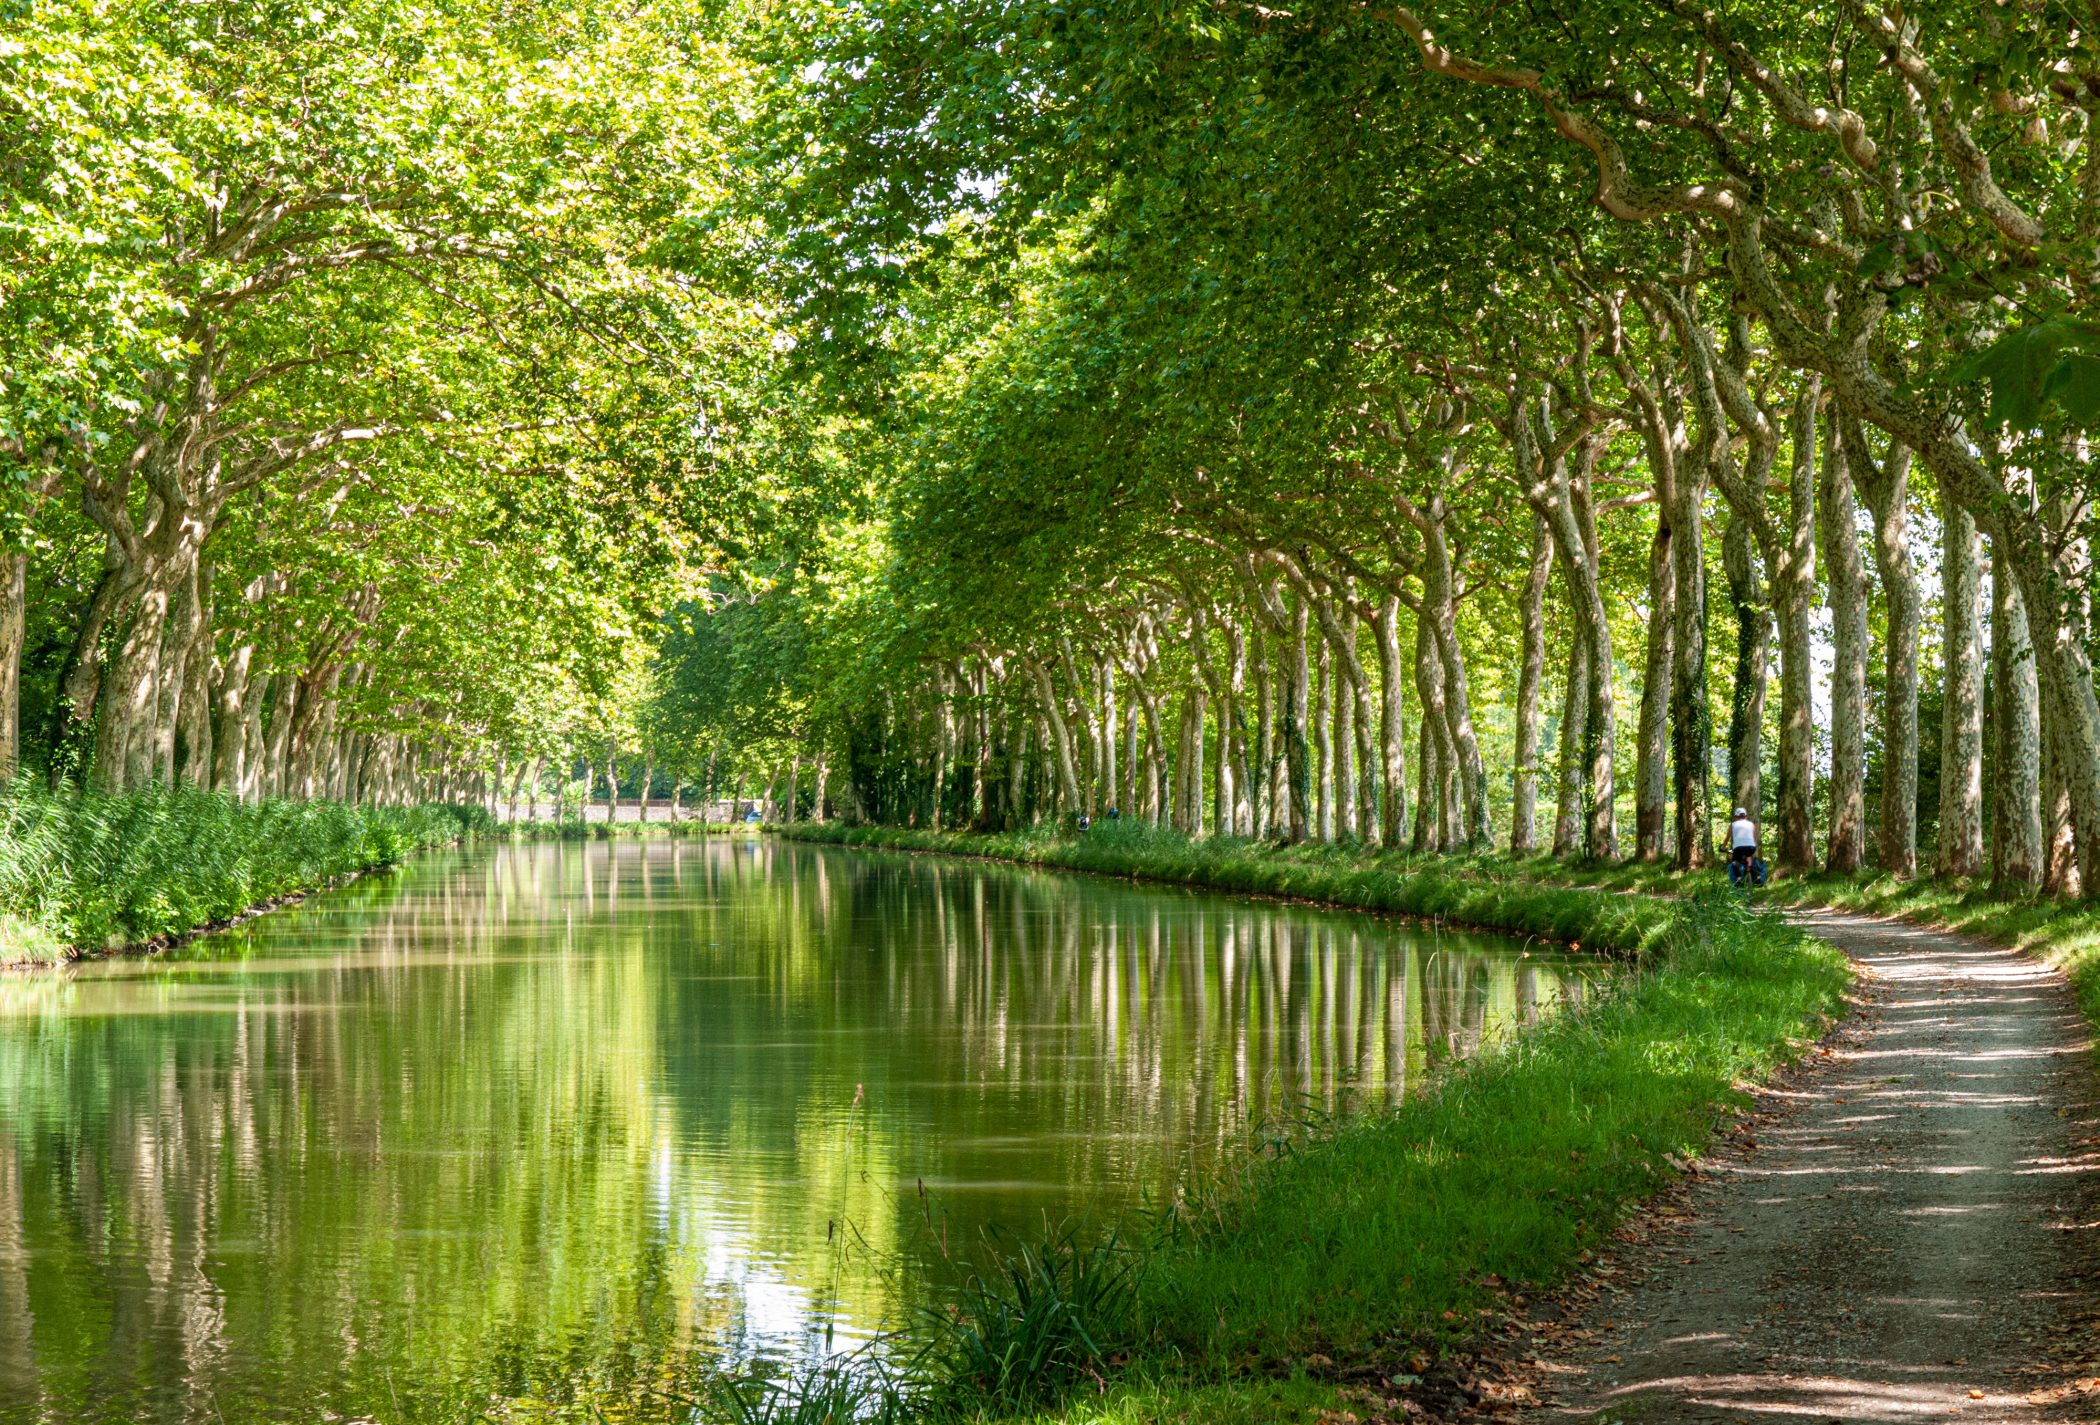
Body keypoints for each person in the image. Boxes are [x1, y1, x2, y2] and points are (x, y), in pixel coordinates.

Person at [1727, 807, 1766, 887]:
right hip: (1751, 847)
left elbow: (1727, 838)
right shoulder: (1751, 824)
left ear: (1736, 817)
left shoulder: (1733, 824)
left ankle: (1738, 880)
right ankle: (1751, 871)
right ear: (1746, 816)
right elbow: (1754, 838)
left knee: (1734, 861)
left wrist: (1723, 847)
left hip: (1738, 848)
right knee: (1749, 856)